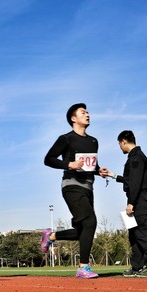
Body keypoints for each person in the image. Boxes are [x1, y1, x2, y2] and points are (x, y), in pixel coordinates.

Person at [42, 103, 109, 279]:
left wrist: (99, 170)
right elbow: (48, 159)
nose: (87, 114)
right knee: (90, 221)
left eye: (88, 112)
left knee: (84, 230)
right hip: (71, 185)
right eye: (83, 112)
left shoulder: (93, 141)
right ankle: (83, 267)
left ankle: (51, 236)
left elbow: (91, 165)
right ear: (73, 118)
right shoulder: (66, 139)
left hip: (88, 187)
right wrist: (68, 164)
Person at [106, 130, 147, 277]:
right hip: (136, 199)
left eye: (119, 144)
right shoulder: (134, 157)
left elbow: (136, 183)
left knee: (144, 233)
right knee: (134, 235)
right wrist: (113, 176)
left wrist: (131, 203)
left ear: (124, 141)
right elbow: (130, 180)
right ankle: (137, 267)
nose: (120, 147)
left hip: (139, 201)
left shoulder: (137, 157)